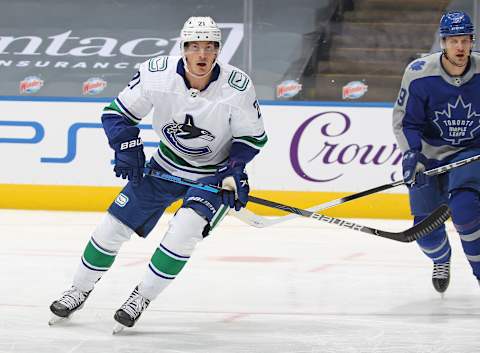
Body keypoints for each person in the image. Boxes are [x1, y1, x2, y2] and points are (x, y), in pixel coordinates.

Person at [48, 16, 267, 332]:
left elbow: (251, 138)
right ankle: (78, 290)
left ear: (218, 50)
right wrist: (127, 147)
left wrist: (234, 170)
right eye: (194, 46)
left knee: (184, 231)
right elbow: (116, 114)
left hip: (212, 176)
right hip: (164, 166)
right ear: (183, 48)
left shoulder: (237, 86)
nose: (201, 54)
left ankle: (141, 297)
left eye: (209, 47)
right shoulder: (157, 75)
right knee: (111, 227)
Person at [393, 10, 480, 296]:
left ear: (472, 40)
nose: (460, 47)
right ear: (443, 42)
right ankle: (441, 259)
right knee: (425, 230)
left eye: (465, 40)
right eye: (453, 40)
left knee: (465, 209)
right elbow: (407, 122)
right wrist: (411, 155)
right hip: (430, 154)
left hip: (470, 152)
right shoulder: (419, 74)